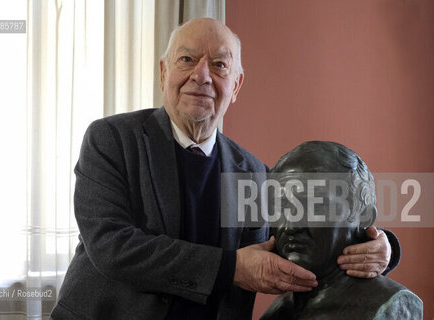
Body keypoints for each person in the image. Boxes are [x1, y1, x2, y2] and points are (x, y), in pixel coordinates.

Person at [50, 18, 398, 320]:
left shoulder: (259, 174)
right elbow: (112, 247)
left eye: (219, 65)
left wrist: (382, 248)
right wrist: (231, 268)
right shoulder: (111, 139)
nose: (201, 75)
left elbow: (307, 236)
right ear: (163, 72)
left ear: (236, 86)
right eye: (186, 59)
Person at [261, 141, 422, 320]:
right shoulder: (278, 311)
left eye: (316, 206)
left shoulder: (390, 306)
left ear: (364, 216)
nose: (291, 226)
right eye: (282, 207)